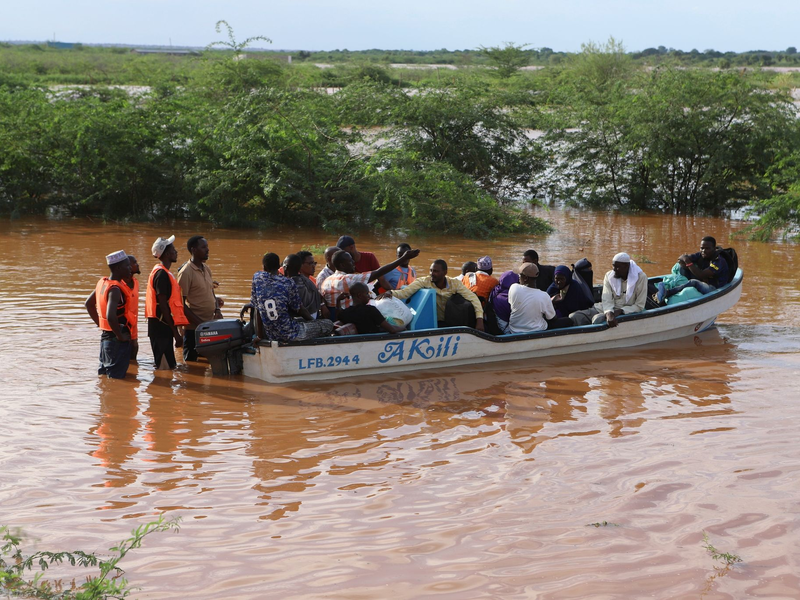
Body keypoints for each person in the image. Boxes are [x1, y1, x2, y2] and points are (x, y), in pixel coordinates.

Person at [251, 253, 334, 342]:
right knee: (328, 324)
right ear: (279, 266)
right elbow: (300, 309)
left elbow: (257, 308)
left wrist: (259, 337)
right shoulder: (288, 282)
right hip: (290, 334)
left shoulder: (257, 278)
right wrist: (314, 322)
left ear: (264, 267)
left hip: (270, 334)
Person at [385, 260, 485, 331]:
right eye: (431, 270)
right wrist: (391, 293)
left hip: (451, 320)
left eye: (436, 271)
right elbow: (405, 292)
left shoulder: (455, 283)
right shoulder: (424, 281)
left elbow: (473, 299)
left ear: (445, 272)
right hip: (434, 322)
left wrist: (479, 320)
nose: (432, 273)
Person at [320, 247, 421, 314]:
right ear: (342, 265)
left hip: (337, 317)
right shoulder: (347, 279)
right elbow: (377, 272)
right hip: (350, 318)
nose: (354, 264)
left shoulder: (326, 281)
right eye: (351, 261)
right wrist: (403, 258)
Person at [86, 250, 134, 379]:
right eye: (127, 265)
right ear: (118, 268)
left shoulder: (103, 284)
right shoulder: (115, 289)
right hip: (116, 340)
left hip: (106, 338)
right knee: (116, 380)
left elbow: (89, 304)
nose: (130, 268)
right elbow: (110, 315)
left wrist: (102, 325)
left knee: (105, 377)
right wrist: (120, 335)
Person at [145, 235, 189, 370]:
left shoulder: (164, 273)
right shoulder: (161, 275)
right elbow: (163, 305)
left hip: (162, 325)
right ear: (166, 253)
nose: (176, 252)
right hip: (161, 326)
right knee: (164, 369)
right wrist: (175, 333)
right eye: (173, 249)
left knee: (169, 366)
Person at [177, 236, 223, 362]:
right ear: (194, 250)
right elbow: (180, 304)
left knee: (208, 361)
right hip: (194, 329)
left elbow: (211, 291)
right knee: (190, 365)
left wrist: (217, 310)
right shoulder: (186, 272)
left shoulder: (206, 268)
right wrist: (200, 324)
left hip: (209, 325)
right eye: (203, 247)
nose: (207, 250)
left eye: (207, 247)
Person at [570, 253, 648, 327]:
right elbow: (606, 299)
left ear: (626, 266)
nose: (614, 270)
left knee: (597, 319)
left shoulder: (641, 278)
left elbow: (639, 306)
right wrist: (609, 312)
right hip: (605, 308)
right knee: (575, 316)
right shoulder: (609, 276)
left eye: (617, 267)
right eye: (613, 266)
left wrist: (620, 311)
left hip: (626, 312)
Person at [658, 236, 729, 304]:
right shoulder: (701, 254)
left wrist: (687, 261)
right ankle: (676, 285)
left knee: (694, 282)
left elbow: (700, 274)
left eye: (707, 248)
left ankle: (668, 293)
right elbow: (680, 259)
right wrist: (686, 263)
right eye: (702, 248)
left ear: (714, 248)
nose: (704, 251)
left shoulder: (719, 261)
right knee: (680, 267)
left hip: (713, 287)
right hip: (703, 280)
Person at [336, 282, 406, 334]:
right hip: (375, 341)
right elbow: (392, 330)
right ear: (359, 295)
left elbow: (339, 313)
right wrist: (404, 328)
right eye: (367, 293)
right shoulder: (370, 310)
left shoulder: (346, 313)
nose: (369, 296)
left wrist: (338, 301)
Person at [507, 262, 556, 334]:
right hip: (537, 331)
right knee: (568, 321)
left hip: (513, 330)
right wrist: (551, 303)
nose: (518, 277)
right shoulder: (544, 296)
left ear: (526, 278)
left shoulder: (514, 287)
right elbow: (552, 318)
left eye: (520, 275)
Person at [284, 253, 329, 319]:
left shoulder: (291, 284)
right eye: (310, 263)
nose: (314, 266)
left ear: (286, 268)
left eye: (314, 263)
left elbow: (301, 310)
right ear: (300, 266)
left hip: (303, 320)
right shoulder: (306, 281)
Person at [124, 255, 141, 362]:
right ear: (128, 267)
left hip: (133, 325)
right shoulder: (118, 284)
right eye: (135, 263)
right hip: (123, 326)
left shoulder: (135, 283)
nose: (137, 264)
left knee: (134, 349)